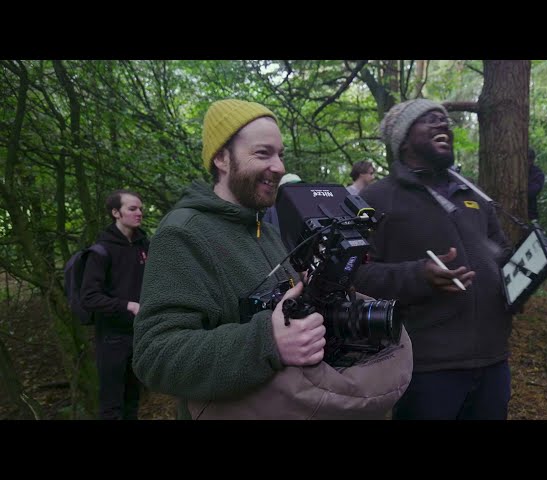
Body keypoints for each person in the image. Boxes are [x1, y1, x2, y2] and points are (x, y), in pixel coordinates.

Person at [132, 99, 412, 420]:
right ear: (222, 158)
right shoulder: (184, 233)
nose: (278, 166)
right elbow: (154, 355)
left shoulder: (264, 227)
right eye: (262, 153)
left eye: (280, 154)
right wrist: (268, 341)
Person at [353, 98, 514, 420]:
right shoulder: (376, 199)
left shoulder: (472, 194)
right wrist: (418, 276)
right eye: (430, 119)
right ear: (404, 138)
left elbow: (501, 253)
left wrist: (526, 273)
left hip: (494, 360)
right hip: (427, 367)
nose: (443, 124)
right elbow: (355, 274)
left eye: (445, 119)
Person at [80, 189, 149, 420]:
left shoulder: (143, 244)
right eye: (132, 209)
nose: (139, 213)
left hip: (139, 334)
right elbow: (89, 297)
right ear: (115, 213)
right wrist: (127, 305)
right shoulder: (101, 251)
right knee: (112, 407)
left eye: (140, 208)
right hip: (112, 338)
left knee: (133, 401)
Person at [527, 147, 545, 221]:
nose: (528, 162)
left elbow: (531, 193)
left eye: (530, 159)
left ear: (532, 160)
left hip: (530, 215)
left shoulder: (537, 173)